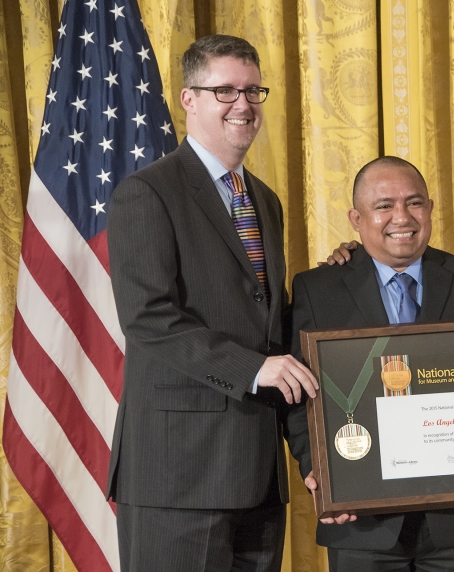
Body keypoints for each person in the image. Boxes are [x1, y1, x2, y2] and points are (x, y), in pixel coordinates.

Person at [106, 35, 318, 572]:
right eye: (224, 90)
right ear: (189, 99)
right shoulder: (147, 192)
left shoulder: (263, 200)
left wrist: (343, 275)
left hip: (257, 474)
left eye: (252, 91)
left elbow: (267, 315)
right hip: (179, 473)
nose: (243, 104)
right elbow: (148, 317)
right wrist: (255, 368)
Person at [291, 156, 454, 572]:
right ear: (356, 218)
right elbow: (300, 395)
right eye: (384, 205)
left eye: (414, 202)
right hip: (361, 519)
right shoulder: (317, 288)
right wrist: (319, 471)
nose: (401, 217)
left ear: (431, 208)